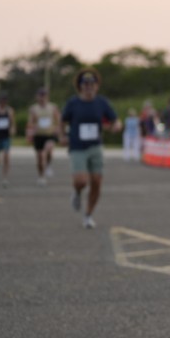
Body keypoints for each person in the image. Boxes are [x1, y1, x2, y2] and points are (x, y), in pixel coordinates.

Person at [62, 68, 121, 229]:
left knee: (96, 181)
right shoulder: (73, 103)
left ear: (97, 85)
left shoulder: (102, 102)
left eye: (91, 83)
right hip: (77, 146)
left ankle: (88, 215)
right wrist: (62, 136)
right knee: (81, 181)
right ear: (80, 86)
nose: (88, 86)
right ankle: (77, 192)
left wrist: (116, 125)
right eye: (85, 84)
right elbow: (63, 121)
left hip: (95, 146)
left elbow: (114, 119)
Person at [27, 88, 61, 186]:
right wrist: (30, 131)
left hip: (49, 134)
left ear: (47, 97)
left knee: (47, 151)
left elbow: (59, 120)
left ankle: (48, 164)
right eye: (40, 96)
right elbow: (30, 122)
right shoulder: (33, 109)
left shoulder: (53, 107)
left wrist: (58, 129)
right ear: (37, 97)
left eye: (44, 96)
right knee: (39, 158)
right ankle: (41, 176)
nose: (42, 98)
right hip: (39, 135)